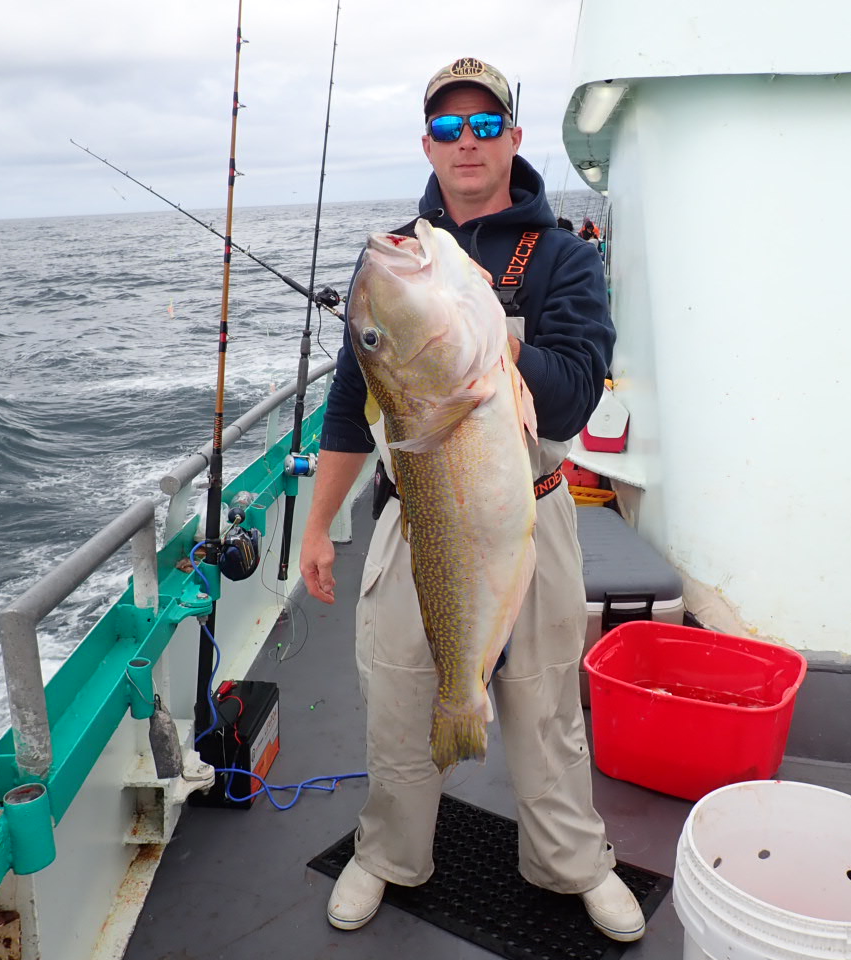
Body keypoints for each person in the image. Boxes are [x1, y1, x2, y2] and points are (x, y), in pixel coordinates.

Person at [298, 56, 644, 943]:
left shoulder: (563, 257)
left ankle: (573, 863)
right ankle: (387, 852)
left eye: (483, 126)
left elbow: (568, 399)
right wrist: (318, 529)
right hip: (419, 516)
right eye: (447, 130)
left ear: (513, 140)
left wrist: (491, 337)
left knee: (544, 701)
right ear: (427, 144)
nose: (466, 144)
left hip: (530, 510)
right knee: (402, 697)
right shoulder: (400, 264)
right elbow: (349, 405)